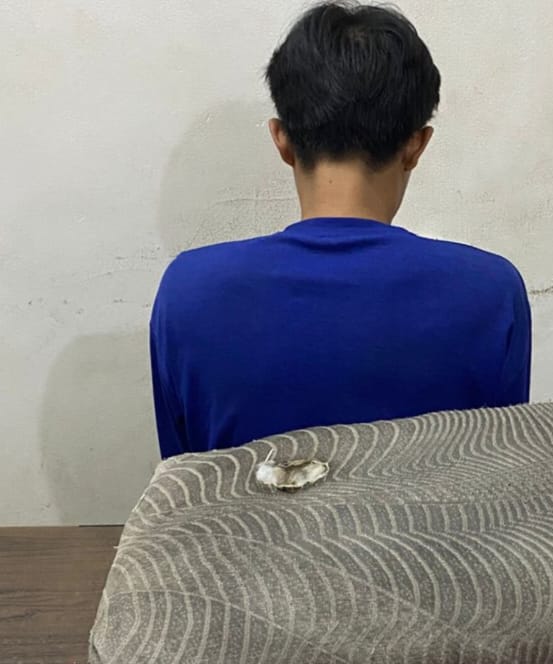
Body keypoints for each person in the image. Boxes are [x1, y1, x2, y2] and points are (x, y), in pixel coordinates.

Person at [150, 1, 531, 459]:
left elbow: (186, 481)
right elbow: (500, 474)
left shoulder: (189, 292)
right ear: (416, 145)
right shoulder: (489, 293)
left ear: (282, 140)